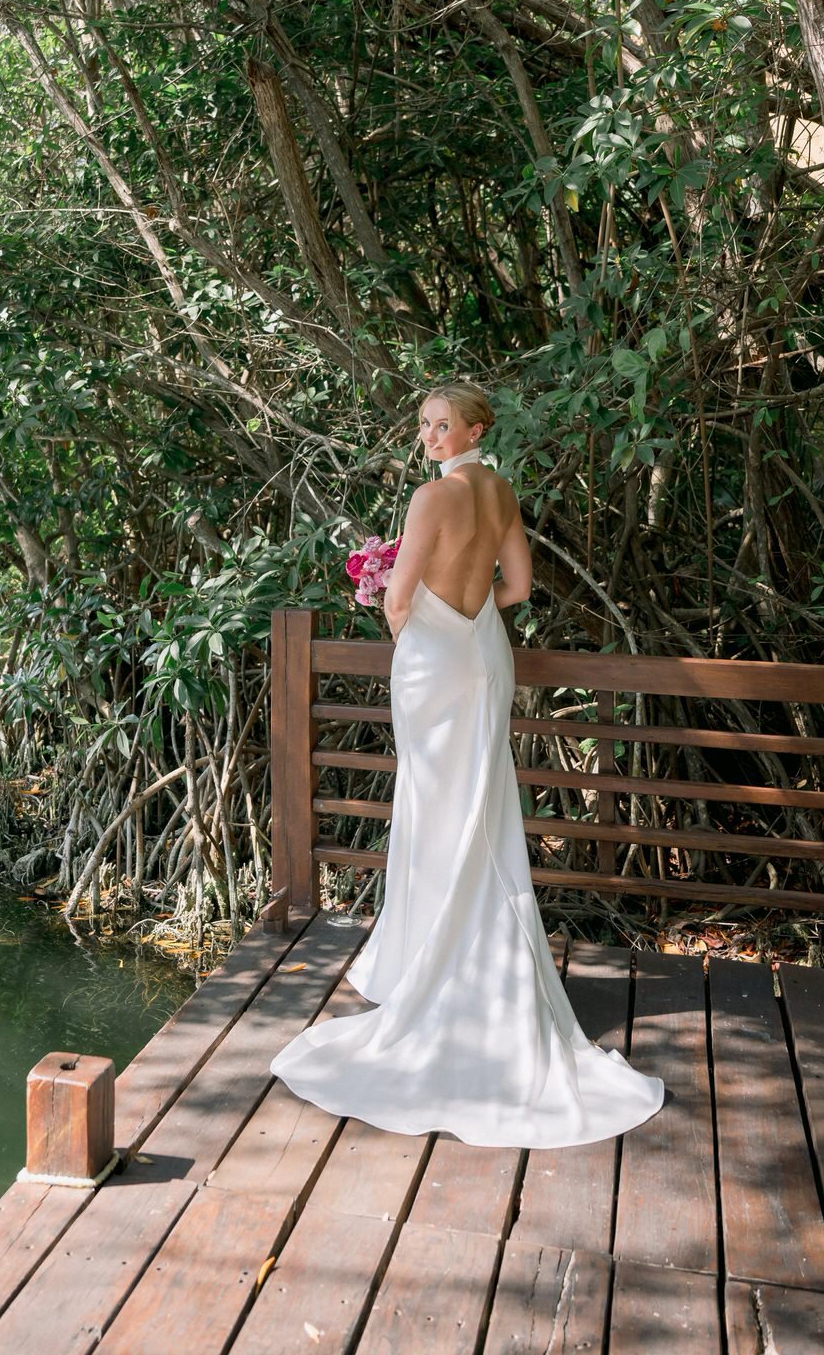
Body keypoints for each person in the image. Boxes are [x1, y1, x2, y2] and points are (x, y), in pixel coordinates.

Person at [268, 381, 665, 1147]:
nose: (428, 436)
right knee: (481, 802)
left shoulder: (431, 498)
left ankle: (429, 964)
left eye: (441, 425)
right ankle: (474, 957)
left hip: (434, 658)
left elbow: (398, 599)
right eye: (424, 424)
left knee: (433, 805)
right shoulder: (500, 491)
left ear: (475, 428)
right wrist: (472, 615)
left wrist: (413, 620)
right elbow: (519, 586)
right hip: (485, 651)